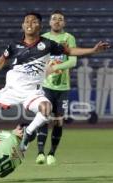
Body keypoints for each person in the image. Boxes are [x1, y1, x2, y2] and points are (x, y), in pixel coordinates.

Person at [0, 12, 109, 152]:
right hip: (12, 90)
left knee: (46, 108)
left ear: (39, 25)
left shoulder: (47, 44)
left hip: (32, 92)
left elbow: (69, 51)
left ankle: (28, 133)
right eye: (26, 21)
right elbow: (2, 60)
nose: (29, 24)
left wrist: (93, 50)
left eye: (33, 21)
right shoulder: (14, 45)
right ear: (22, 25)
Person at [35, 10, 77, 165]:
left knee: (58, 121)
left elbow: (73, 62)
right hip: (46, 86)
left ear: (64, 23)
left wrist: (54, 68)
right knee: (43, 117)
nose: (57, 21)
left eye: (60, 19)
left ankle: (52, 153)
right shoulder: (44, 38)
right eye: (54, 19)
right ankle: (40, 153)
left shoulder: (68, 38)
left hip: (63, 87)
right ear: (50, 22)